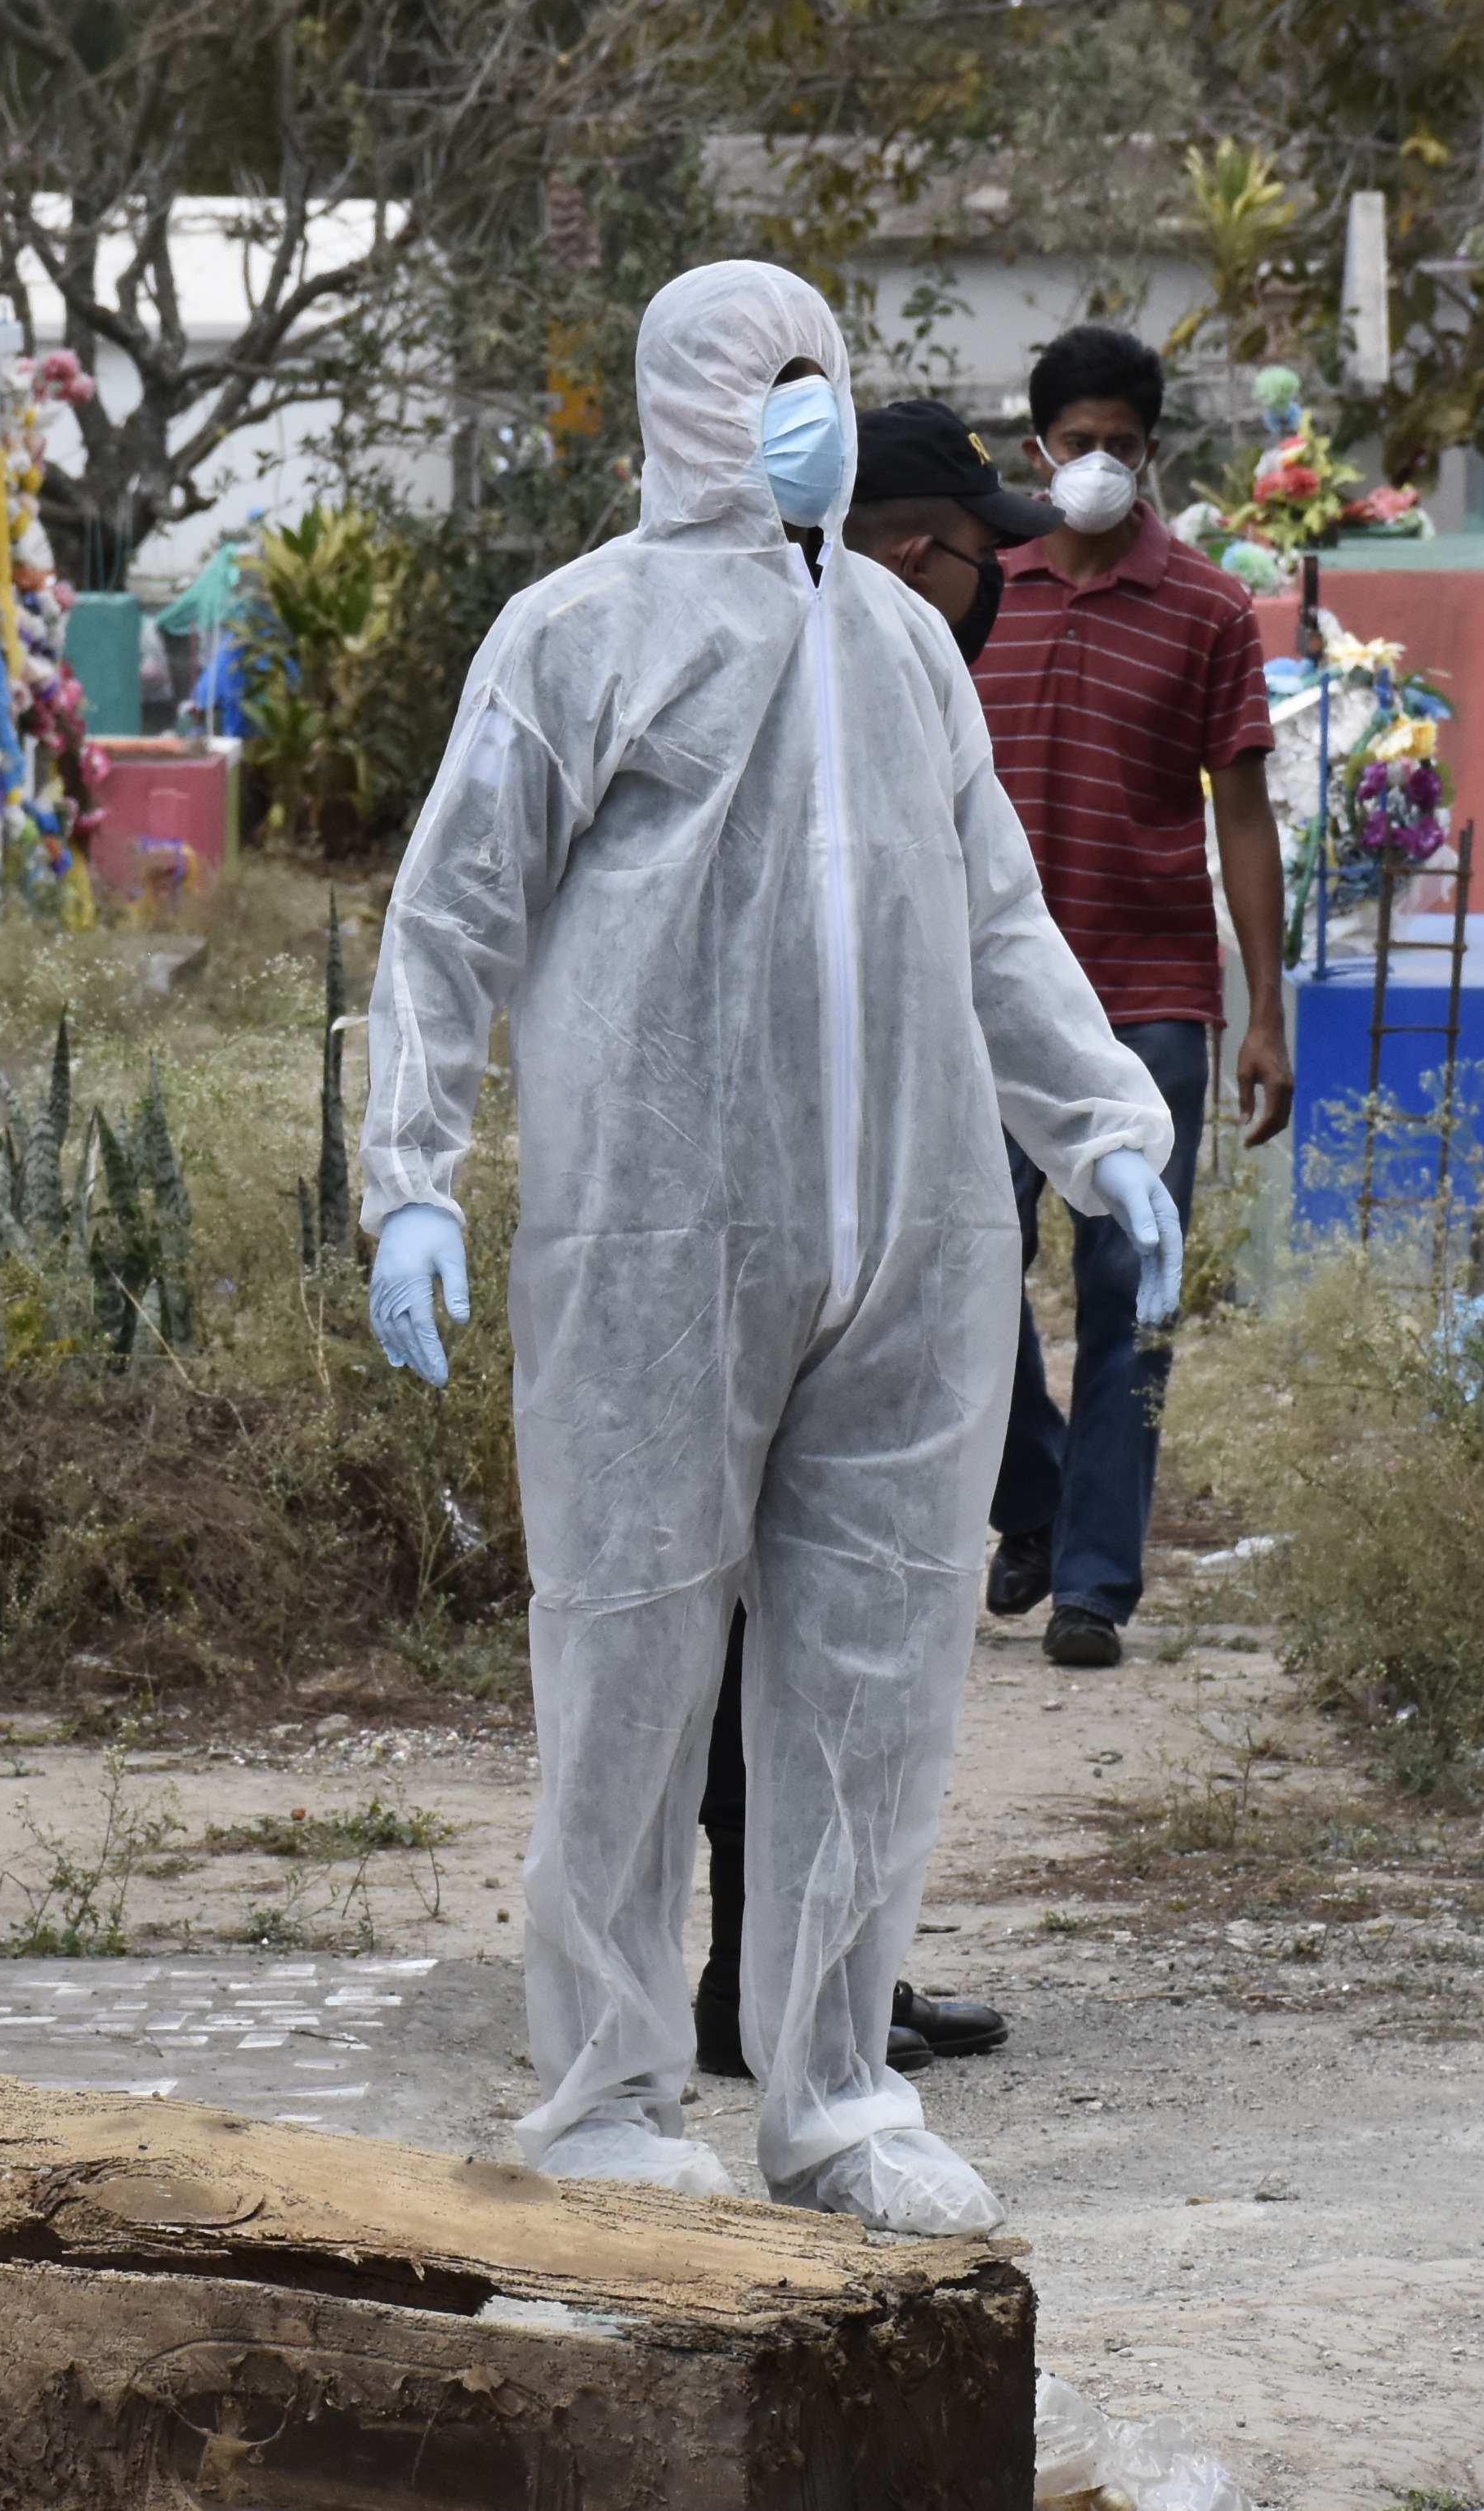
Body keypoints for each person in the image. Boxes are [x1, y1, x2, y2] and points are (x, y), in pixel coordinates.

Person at [358, 266, 1182, 2236]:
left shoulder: (901, 643)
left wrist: (1107, 1128)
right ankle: (600, 2089)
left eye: (829, 375)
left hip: (911, 1244)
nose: (810, 410)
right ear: (691, 403)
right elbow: (451, 914)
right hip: (651, 1245)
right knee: (634, 1654)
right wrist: (407, 1171)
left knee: (876, 1669)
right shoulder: (578, 635)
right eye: (777, 379)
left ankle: (831, 2091)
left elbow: (997, 921)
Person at [690, 396, 1065, 2084]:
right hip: (738, 1209)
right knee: (749, 1616)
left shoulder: (883, 675)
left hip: (860, 1197)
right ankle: (754, 1981)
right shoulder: (773, 670)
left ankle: (821, 1967)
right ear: (917, 547)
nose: (997, 589)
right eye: (987, 556)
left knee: (830, 1610)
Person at [974, 324, 1294, 1667]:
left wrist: (1262, 1011)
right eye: (1075, 442)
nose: (1098, 464)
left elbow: (1244, 816)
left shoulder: (1210, 607)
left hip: (1150, 1000)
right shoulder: (972, 591)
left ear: (1152, 450)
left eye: (1122, 442)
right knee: (958, 1277)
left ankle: (1097, 1580)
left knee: (1131, 1290)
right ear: (1033, 449)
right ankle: (1033, 1498)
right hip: (984, 1004)